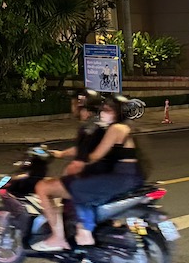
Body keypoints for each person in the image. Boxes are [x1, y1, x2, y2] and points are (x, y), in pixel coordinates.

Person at [59, 94, 145, 248]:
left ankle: (86, 230)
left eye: (108, 110)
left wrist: (81, 161)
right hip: (132, 175)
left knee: (77, 188)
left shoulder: (116, 129)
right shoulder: (127, 127)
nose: (104, 112)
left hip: (123, 177)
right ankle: (109, 224)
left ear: (117, 112)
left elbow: (96, 155)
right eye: (104, 109)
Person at [30, 90, 104, 252]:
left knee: (42, 188)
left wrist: (65, 177)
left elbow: (79, 163)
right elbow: (82, 150)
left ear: (81, 106)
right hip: (106, 178)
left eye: (73, 105)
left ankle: (58, 238)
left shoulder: (87, 129)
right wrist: (61, 154)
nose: (72, 109)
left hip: (91, 181)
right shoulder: (100, 125)